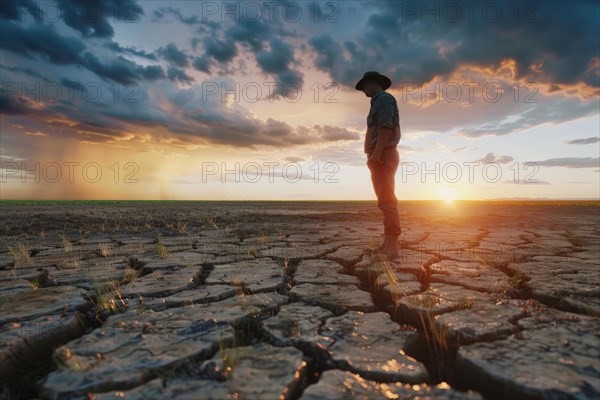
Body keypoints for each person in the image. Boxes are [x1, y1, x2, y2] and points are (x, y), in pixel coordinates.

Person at [356, 71, 402, 259]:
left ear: (372, 83)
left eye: (364, 86)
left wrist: (376, 155)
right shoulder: (377, 101)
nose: (363, 90)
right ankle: (387, 244)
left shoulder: (383, 99)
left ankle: (392, 247)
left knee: (387, 200)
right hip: (380, 155)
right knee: (384, 200)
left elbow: (385, 127)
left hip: (383, 154)